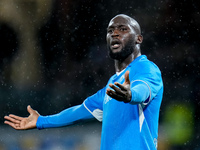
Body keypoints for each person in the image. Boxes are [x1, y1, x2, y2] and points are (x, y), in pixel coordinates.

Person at [4, 14, 163, 150]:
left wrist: (131, 94)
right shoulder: (112, 85)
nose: (114, 33)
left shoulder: (147, 68)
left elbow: (143, 89)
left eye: (123, 29)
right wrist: (41, 121)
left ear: (138, 39)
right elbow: (79, 111)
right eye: (110, 30)